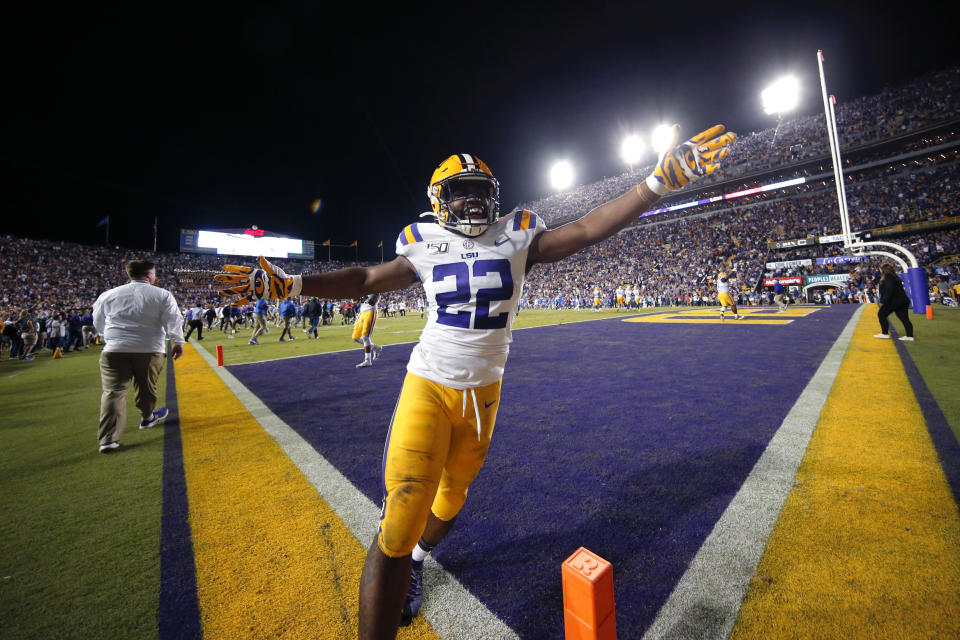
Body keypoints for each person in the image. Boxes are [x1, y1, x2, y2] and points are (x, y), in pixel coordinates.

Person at [215, 125, 735, 640]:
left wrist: (654, 185)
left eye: (478, 193)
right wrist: (298, 282)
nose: (469, 204)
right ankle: (402, 565)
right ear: (439, 201)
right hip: (430, 384)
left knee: (451, 500)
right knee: (399, 520)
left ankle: (420, 561)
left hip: (484, 394)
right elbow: (367, 279)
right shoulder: (421, 242)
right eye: (459, 194)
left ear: (495, 198)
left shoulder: (519, 233)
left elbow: (586, 229)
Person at [92, 259, 184, 453]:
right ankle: (147, 417)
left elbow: (98, 322)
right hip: (149, 348)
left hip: (115, 349)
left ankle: (108, 439)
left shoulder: (108, 295)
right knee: (147, 387)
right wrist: (178, 342)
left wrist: (110, 337)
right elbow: (173, 319)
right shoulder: (162, 294)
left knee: (113, 393)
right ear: (149, 275)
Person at [874, 263, 915, 341]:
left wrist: (884, 300)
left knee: (881, 314)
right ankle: (910, 336)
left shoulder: (888, 278)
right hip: (903, 300)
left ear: (883, 270)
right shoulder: (895, 277)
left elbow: (889, 290)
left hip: (894, 301)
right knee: (904, 318)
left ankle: (885, 333)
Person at [352, 293, 383, 368]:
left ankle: (367, 360)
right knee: (355, 337)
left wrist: (363, 295)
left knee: (365, 337)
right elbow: (354, 301)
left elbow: (372, 302)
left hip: (371, 311)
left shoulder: (376, 290)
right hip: (362, 313)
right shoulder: (361, 288)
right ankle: (376, 348)